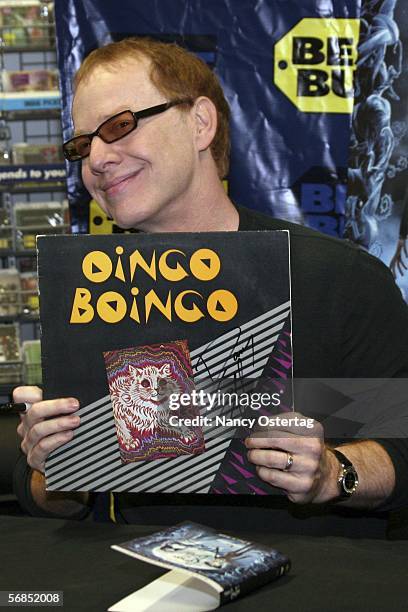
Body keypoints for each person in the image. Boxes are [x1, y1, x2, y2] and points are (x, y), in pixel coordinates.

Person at [13, 37, 408, 536]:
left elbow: (402, 442)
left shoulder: (338, 276)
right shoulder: (88, 291)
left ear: (200, 123)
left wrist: (332, 473)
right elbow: (53, 498)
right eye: (82, 144)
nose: (96, 159)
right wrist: (52, 462)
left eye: (118, 127)